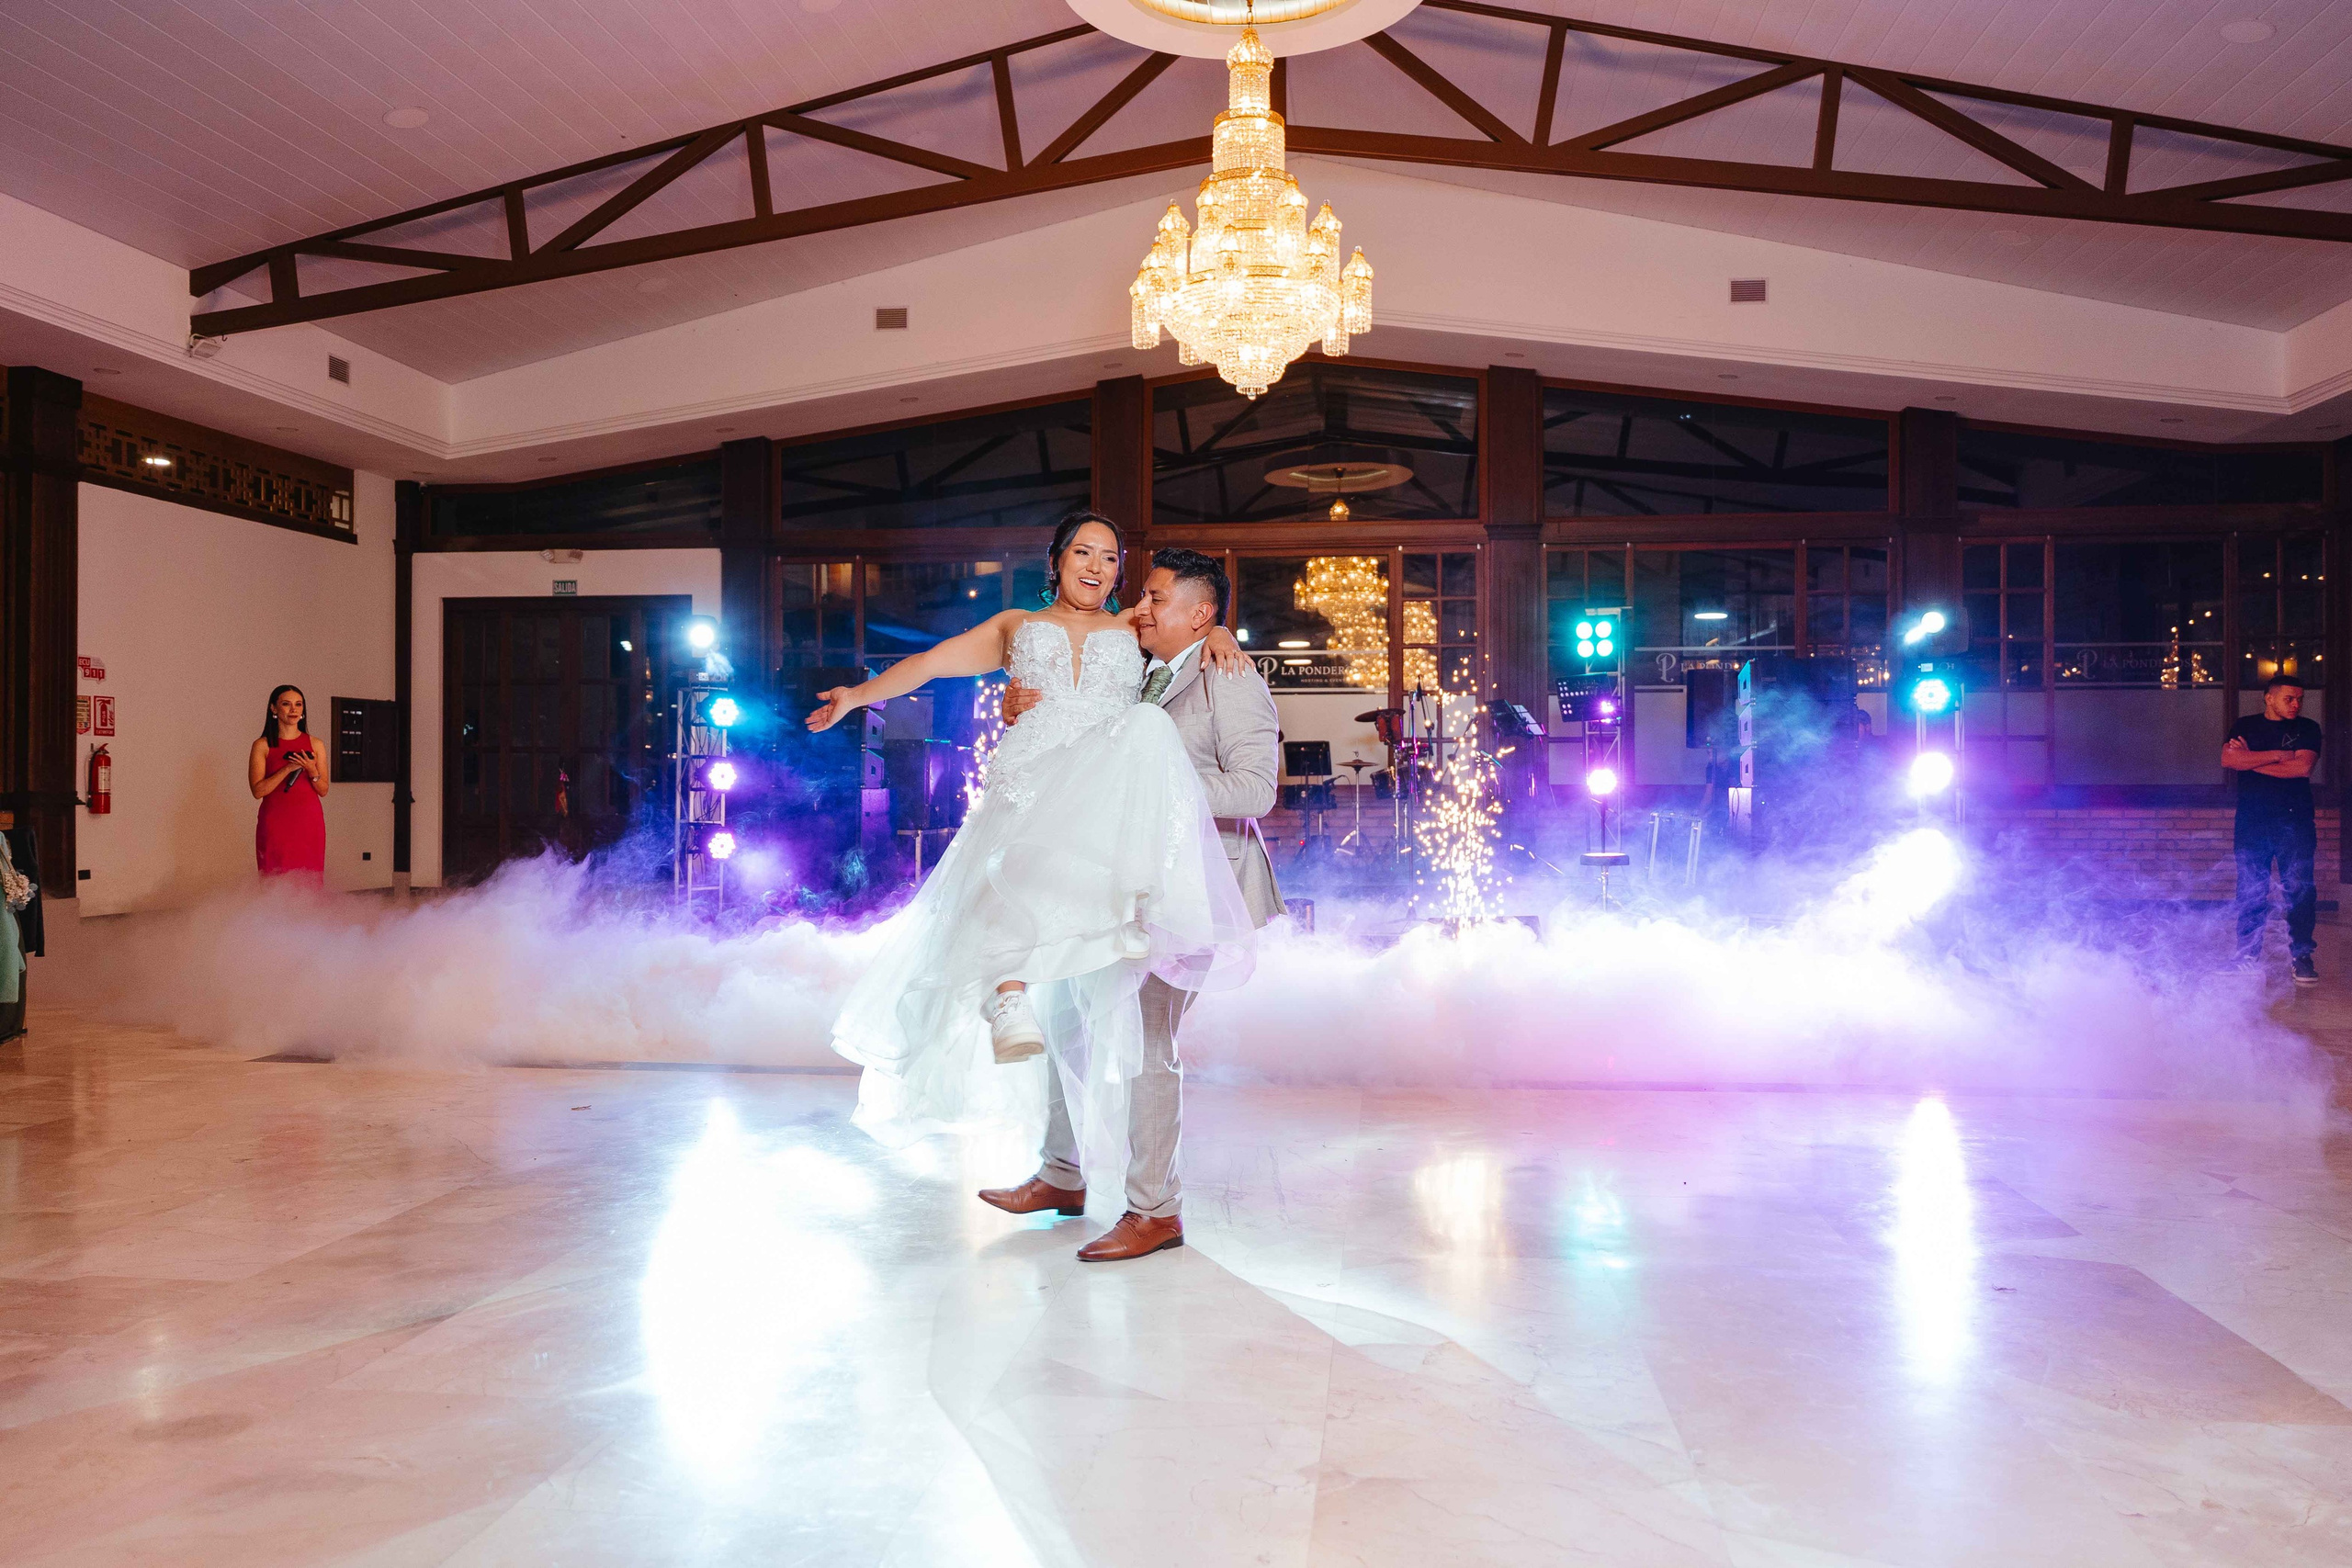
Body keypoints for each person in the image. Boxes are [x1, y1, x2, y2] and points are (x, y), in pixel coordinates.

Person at [809, 513, 1255, 1247]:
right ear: (1057, 560)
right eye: (1084, 551)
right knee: (1005, 909)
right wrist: (859, 696)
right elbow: (930, 662)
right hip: (1030, 788)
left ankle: (1135, 1195)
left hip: (1097, 817)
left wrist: (1221, 633)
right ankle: (1025, 1058)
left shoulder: (1135, 628)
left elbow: (1194, 621)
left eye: (1111, 557)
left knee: (1098, 1005)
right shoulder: (1017, 624)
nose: (1099, 565)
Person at [978, 547, 1283, 1261]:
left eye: (1155, 597)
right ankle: (1062, 1173)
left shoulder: (1230, 678)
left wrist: (1152, 793)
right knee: (1063, 1016)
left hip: (1197, 893)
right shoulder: (1139, 673)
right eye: (1140, 595)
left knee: (1149, 1043)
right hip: (1122, 889)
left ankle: (1156, 1210)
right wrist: (1018, 705)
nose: (1139, 607)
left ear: (1202, 615)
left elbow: (1255, 791)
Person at [2223, 672, 2323, 985]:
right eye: (2288, 698)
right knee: (2251, 891)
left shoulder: (2307, 728)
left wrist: (2250, 760)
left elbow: (2302, 767)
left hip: (2295, 822)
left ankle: (2302, 956)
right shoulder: (2245, 725)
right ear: (2269, 697)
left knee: (2300, 889)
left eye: (2299, 699)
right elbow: (2228, 759)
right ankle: (2247, 956)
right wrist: (2278, 756)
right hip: (2253, 821)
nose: (2296, 704)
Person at [251, 684, 329, 885]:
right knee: (274, 879)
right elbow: (258, 791)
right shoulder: (262, 745)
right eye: (286, 704)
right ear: (274, 709)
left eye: (298, 704)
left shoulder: (316, 744)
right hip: (276, 821)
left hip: (309, 821)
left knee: (309, 880)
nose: (293, 710)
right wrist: (287, 768)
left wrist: (312, 770)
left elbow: (323, 790)